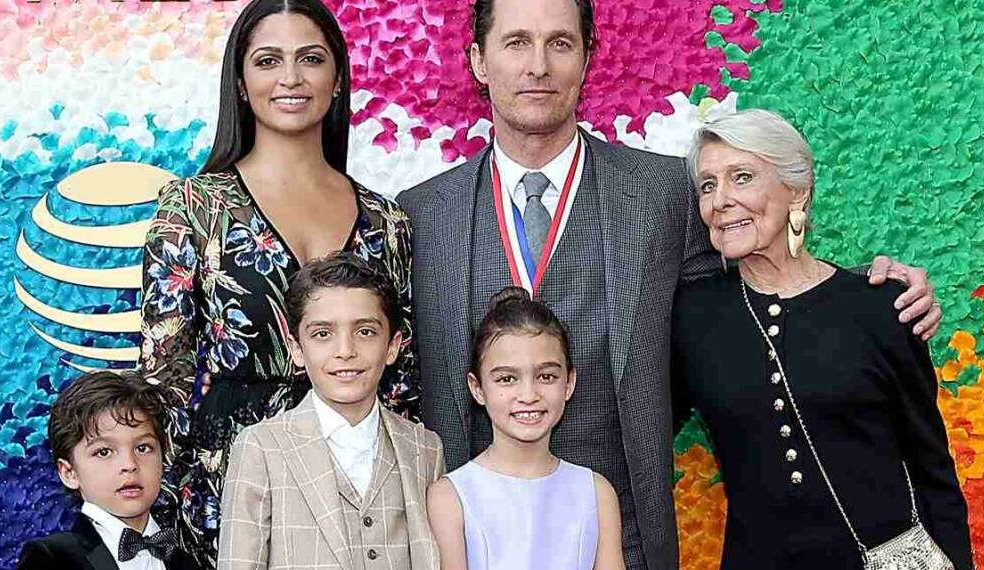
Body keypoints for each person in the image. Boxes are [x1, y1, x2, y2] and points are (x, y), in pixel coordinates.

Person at [395, 0, 943, 567]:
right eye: (516, 43)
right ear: (479, 61)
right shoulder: (422, 215)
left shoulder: (666, 196)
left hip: (624, 539)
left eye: (560, 43)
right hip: (466, 543)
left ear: (588, 59)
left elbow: (744, 300)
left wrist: (870, 293)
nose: (538, 65)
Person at [138, 0, 417, 564]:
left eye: (310, 59)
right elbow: (163, 378)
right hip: (229, 490)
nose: (291, 78)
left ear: (337, 79)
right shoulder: (192, 208)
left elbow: (402, 385)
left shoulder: (388, 222)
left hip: (360, 493)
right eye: (268, 60)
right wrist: (169, 521)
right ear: (240, 83)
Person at [671, 109, 972, 569]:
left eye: (742, 176)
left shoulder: (883, 306)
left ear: (797, 190)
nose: (721, 200)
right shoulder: (691, 316)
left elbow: (932, 469)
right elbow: (641, 422)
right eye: (708, 185)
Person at [217, 253, 444, 570]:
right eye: (323, 334)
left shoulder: (425, 449)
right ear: (296, 348)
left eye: (365, 331)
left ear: (393, 345)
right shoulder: (260, 448)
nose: (345, 351)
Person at [428, 287, 624, 570]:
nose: (529, 394)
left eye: (546, 376)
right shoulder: (450, 497)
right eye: (507, 379)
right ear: (477, 388)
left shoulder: (597, 493)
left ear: (569, 383)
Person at [17, 370, 200, 570]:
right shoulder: (53, 558)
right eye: (104, 452)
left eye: (143, 448)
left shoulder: (185, 563)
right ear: (69, 473)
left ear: (162, 457)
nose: (129, 464)